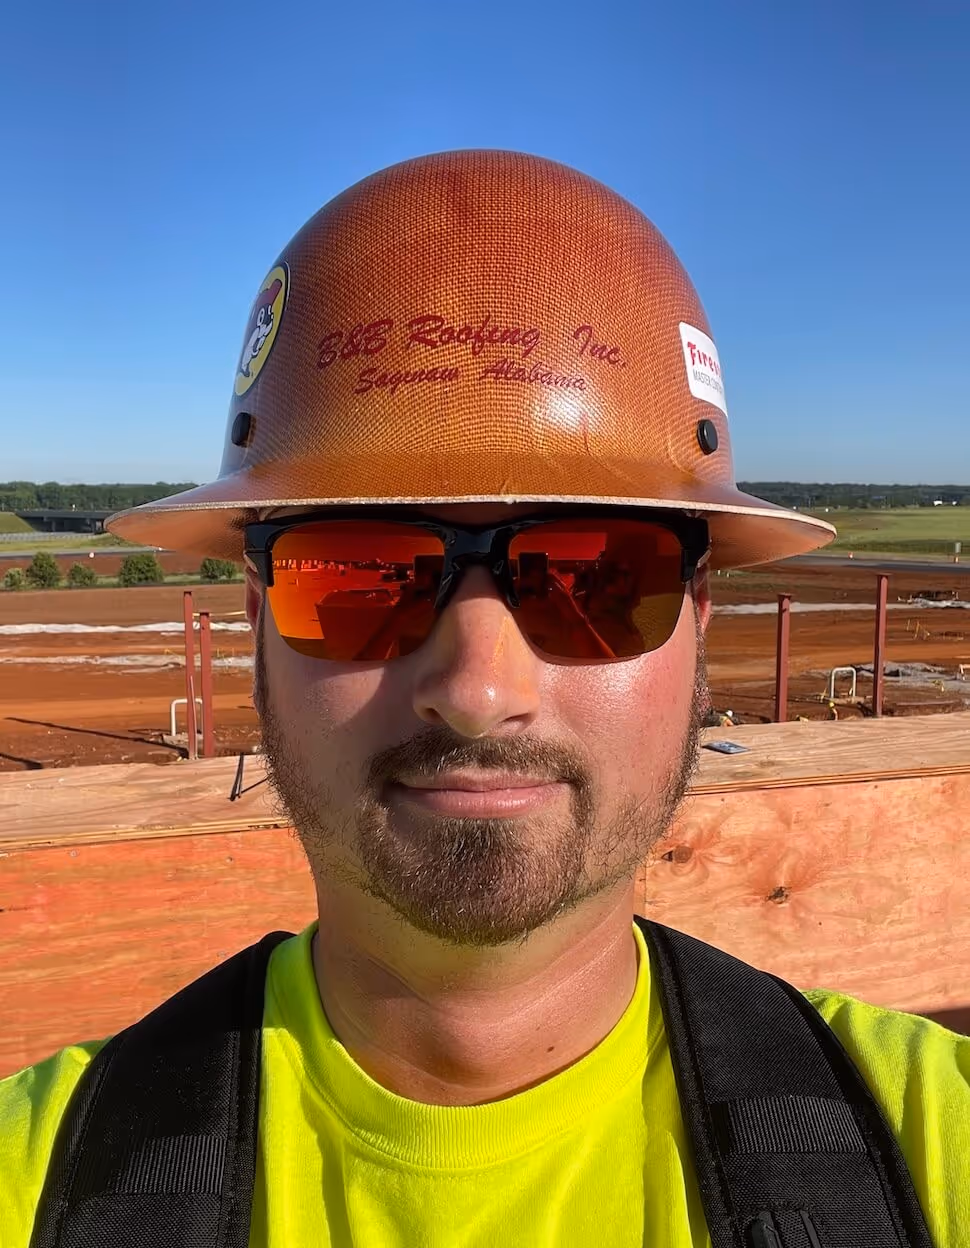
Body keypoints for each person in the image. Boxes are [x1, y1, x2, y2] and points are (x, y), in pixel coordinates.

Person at [2, 150, 967, 1247]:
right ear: (257, 619)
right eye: (358, 574)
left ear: (698, 615)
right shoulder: (38, 1182)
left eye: (599, 578)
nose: (475, 691)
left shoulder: (928, 1147)